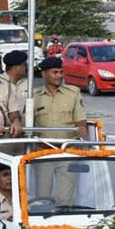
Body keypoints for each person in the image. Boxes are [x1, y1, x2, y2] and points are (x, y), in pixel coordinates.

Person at [32, 57, 88, 204]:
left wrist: (82, 127)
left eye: (61, 72)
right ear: (44, 74)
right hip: (43, 153)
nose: (59, 76)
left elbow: (81, 118)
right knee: (42, 198)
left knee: (66, 199)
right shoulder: (34, 96)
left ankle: (64, 225)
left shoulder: (73, 92)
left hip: (67, 152)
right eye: (55, 72)